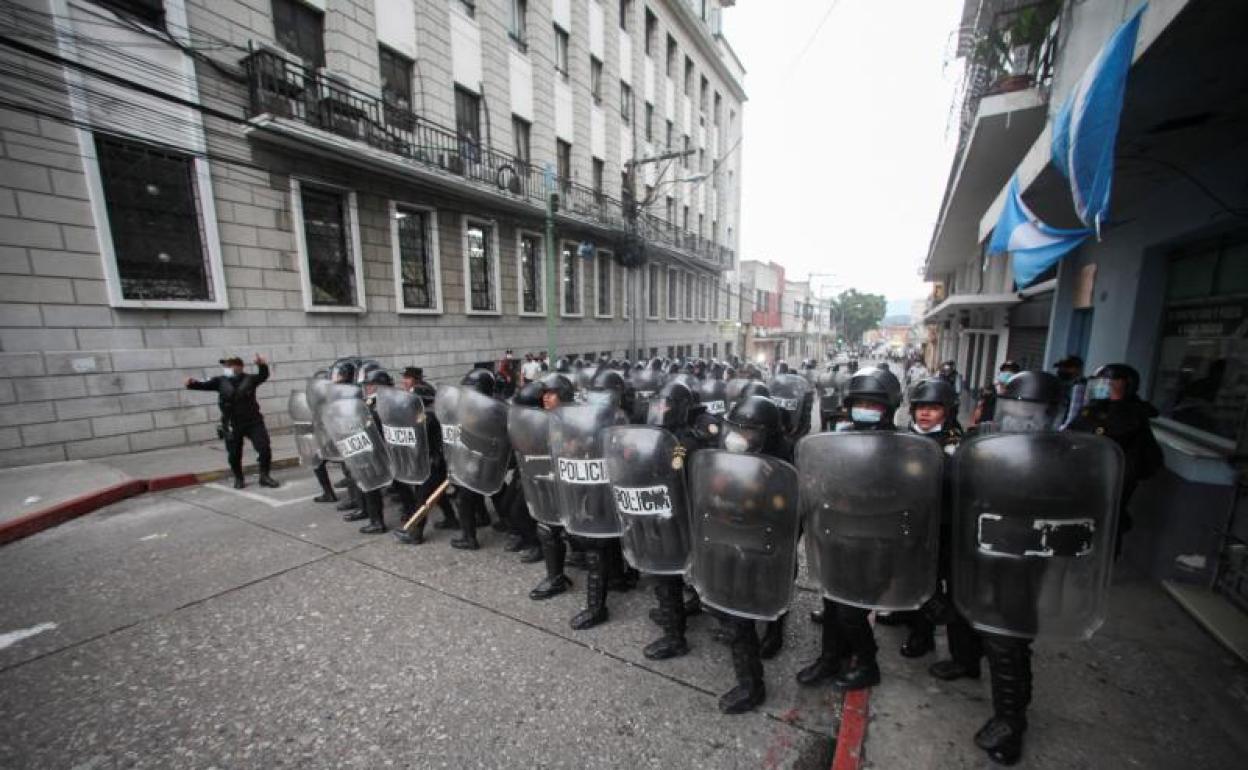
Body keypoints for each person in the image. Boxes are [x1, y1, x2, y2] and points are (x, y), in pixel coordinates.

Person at [797, 365, 901, 692]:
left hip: (875, 545)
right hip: (837, 537)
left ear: (889, 408)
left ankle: (868, 663)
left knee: (851, 613)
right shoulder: (837, 441)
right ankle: (830, 658)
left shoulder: (902, 450)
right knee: (831, 603)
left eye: (874, 405)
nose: (865, 411)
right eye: (860, 404)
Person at [707, 394, 795, 713]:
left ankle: (752, 685)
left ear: (768, 435)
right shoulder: (725, 454)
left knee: (742, 616)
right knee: (728, 609)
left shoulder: (784, 463)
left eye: (749, 432)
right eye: (735, 429)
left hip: (763, 545)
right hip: (730, 538)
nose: (738, 438)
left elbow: (789, 514)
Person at [1069, 363, 1164, 557]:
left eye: (1111, 383)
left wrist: (1117, 401)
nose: (1105, 387)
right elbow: (1074, 430)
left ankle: (1105, 562)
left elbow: (1118, 432)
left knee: (1111, 519)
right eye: (1101, 383)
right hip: (1088, 473)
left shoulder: (1134, 411)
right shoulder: (1093, 408)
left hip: (1119, 476)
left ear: (1126, 386)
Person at [186, 354, 279, 490]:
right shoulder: (219, 381)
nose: (227, 368)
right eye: (225, 365)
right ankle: (238, 478)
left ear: (239, 366)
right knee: (234, 454)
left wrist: (262, 364)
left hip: (253, 422)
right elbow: (202, 384)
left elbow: (263, 375)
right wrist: (191, 383)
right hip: (232, 424)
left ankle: (264, 477)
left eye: (230, 365)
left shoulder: (250, 379)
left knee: (264, 448)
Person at [529, 373, 580, 600]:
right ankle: (556, 576)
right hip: (552, 479)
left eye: (551, 394)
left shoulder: (576, 420)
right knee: (547, 528)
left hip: (575, 484)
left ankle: (557, 579)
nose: (545, 399)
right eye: (544, 395)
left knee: (551, 529)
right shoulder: (548, 419)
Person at [970, 361, 1021, 427]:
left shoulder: (1018, 392)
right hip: (986, 427)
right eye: (1005, 371)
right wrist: (974, 424)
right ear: (1000, 373)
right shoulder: (990, 389)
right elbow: (979, 408)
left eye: (1011, 372)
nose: (1008, 374)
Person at [1054, 355, 1087, 429]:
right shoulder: (1059, 384)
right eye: (1061, 367)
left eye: (1067, 367)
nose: (1062, 370)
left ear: (1078, 369)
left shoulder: (1080, 386)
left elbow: (1073, 415)